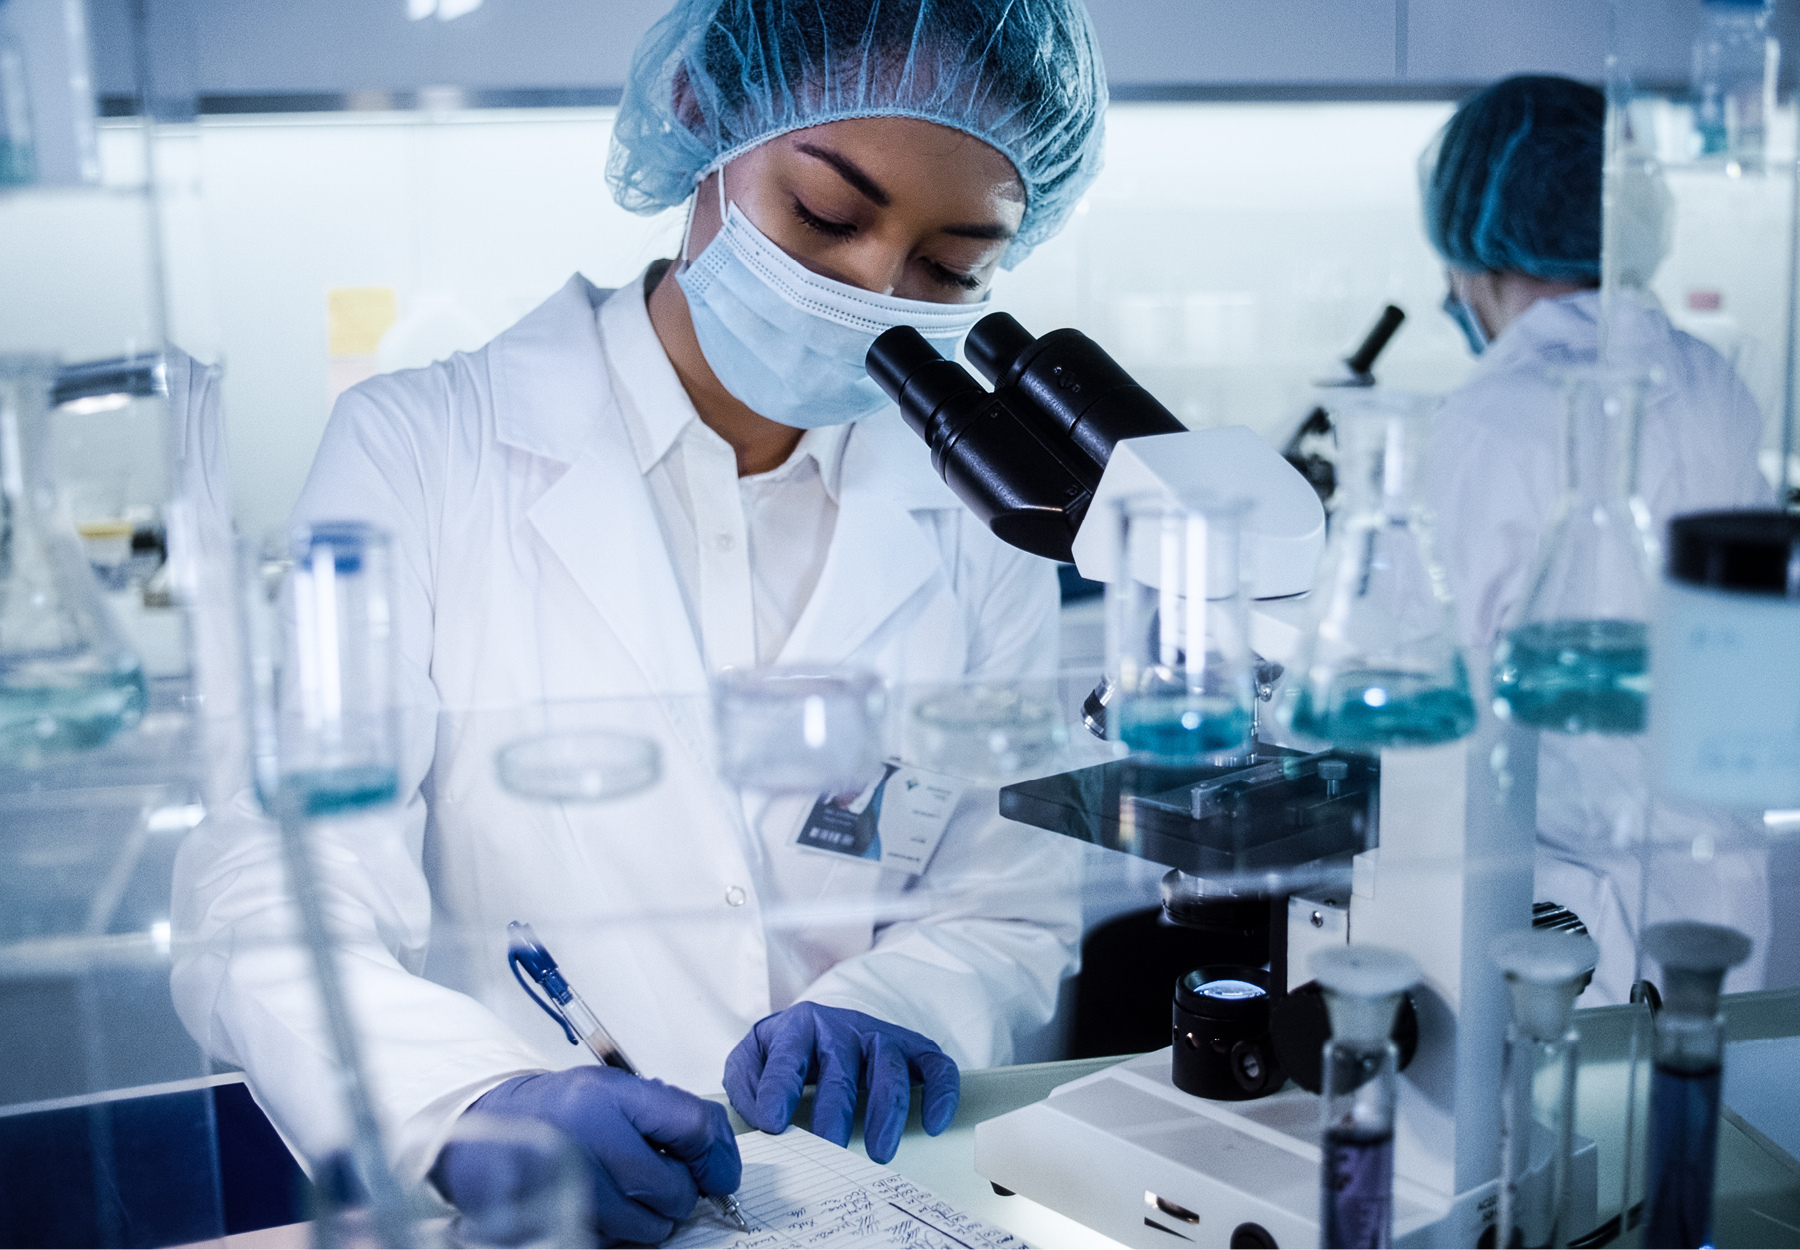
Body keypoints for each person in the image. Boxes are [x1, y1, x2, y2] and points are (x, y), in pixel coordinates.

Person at [170, 1, 1106, 1242]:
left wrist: (901, 1009)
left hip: (853, 1205)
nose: (874, 288)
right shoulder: (425, 448)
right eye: (827, 214)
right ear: (700, 118)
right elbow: (273, 878)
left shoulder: (977, 514)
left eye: (950, 267)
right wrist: (468, 1102)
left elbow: (1006, 895)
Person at [1419, 75, 1775, 1005]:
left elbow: (1434, 674)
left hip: (1560, 891)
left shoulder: (1495, 414)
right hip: (1717, 877)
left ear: (1471, 252)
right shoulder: (1712, 381)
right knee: (1694, 1135)